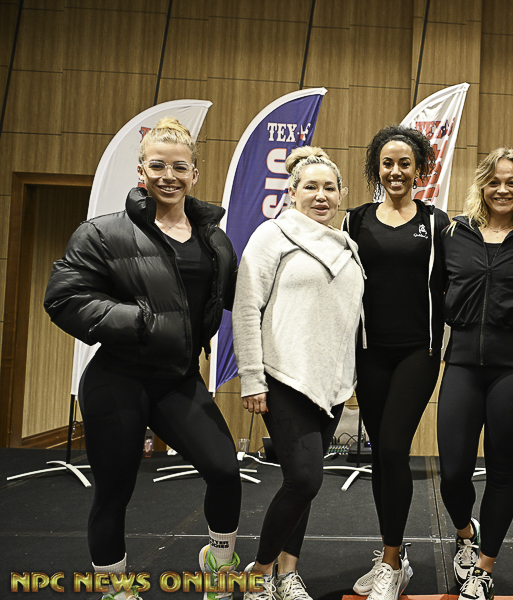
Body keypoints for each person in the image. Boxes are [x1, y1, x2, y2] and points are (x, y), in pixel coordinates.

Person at [43, 117, 242, 600]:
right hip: (118, 378)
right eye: (158, 166)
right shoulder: (103, 232)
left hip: (178, 378)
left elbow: (240, 299)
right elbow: (64, 298)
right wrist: (141, 321)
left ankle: (218, 564)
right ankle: (114, 587)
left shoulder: (214, 239)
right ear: (141, 170)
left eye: (179, 167)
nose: (168, 176)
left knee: (224, 470)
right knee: (114, 490)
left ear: (194, 172)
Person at [232, 147, 365, 600]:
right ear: (292, 192)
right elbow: (246, 307)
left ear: (342, 194)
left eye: (329, 188)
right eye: (311, 187)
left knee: (303, 486)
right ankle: (259, 572)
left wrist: (349, 379)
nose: (321, 195)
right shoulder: (272, 235)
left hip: (330, 386)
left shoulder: (348, 247)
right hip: (283, 377)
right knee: (305, 479)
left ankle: (287, 574)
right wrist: (252, 377)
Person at [437, 148, 513, 600]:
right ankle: (466, 534)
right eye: (494, 182)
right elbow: (434, 289)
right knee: (453, 473)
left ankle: (484, 568)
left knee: (501, 472)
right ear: (482, 185)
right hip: (462, 363)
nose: (503, 190)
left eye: (512, 183)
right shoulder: (454, 233)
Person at [342, 125, 450, 600]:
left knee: (391, 448)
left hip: (417, 353)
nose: (396, 171)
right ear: (376, 168)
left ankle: (391, 562)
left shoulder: (437, 222)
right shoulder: (354, 221)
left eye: (405, 163)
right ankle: (394, 554)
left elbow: (458, 280)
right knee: (382, 459)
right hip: (370, 353)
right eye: (387, 163)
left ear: (419, 168)